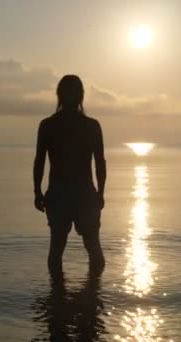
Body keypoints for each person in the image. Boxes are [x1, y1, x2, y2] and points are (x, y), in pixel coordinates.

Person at [33, 74, 106, 275]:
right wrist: (100, 193)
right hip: (83, 193)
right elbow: (100, 163)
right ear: (82, 96)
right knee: (93, 250)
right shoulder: (91, 126)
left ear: (59, 95)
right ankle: (93, 296)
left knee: (56, 250)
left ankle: (57, 299)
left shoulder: (48, 125)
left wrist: (37, 191)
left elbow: (39, 161)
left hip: (59, 194)